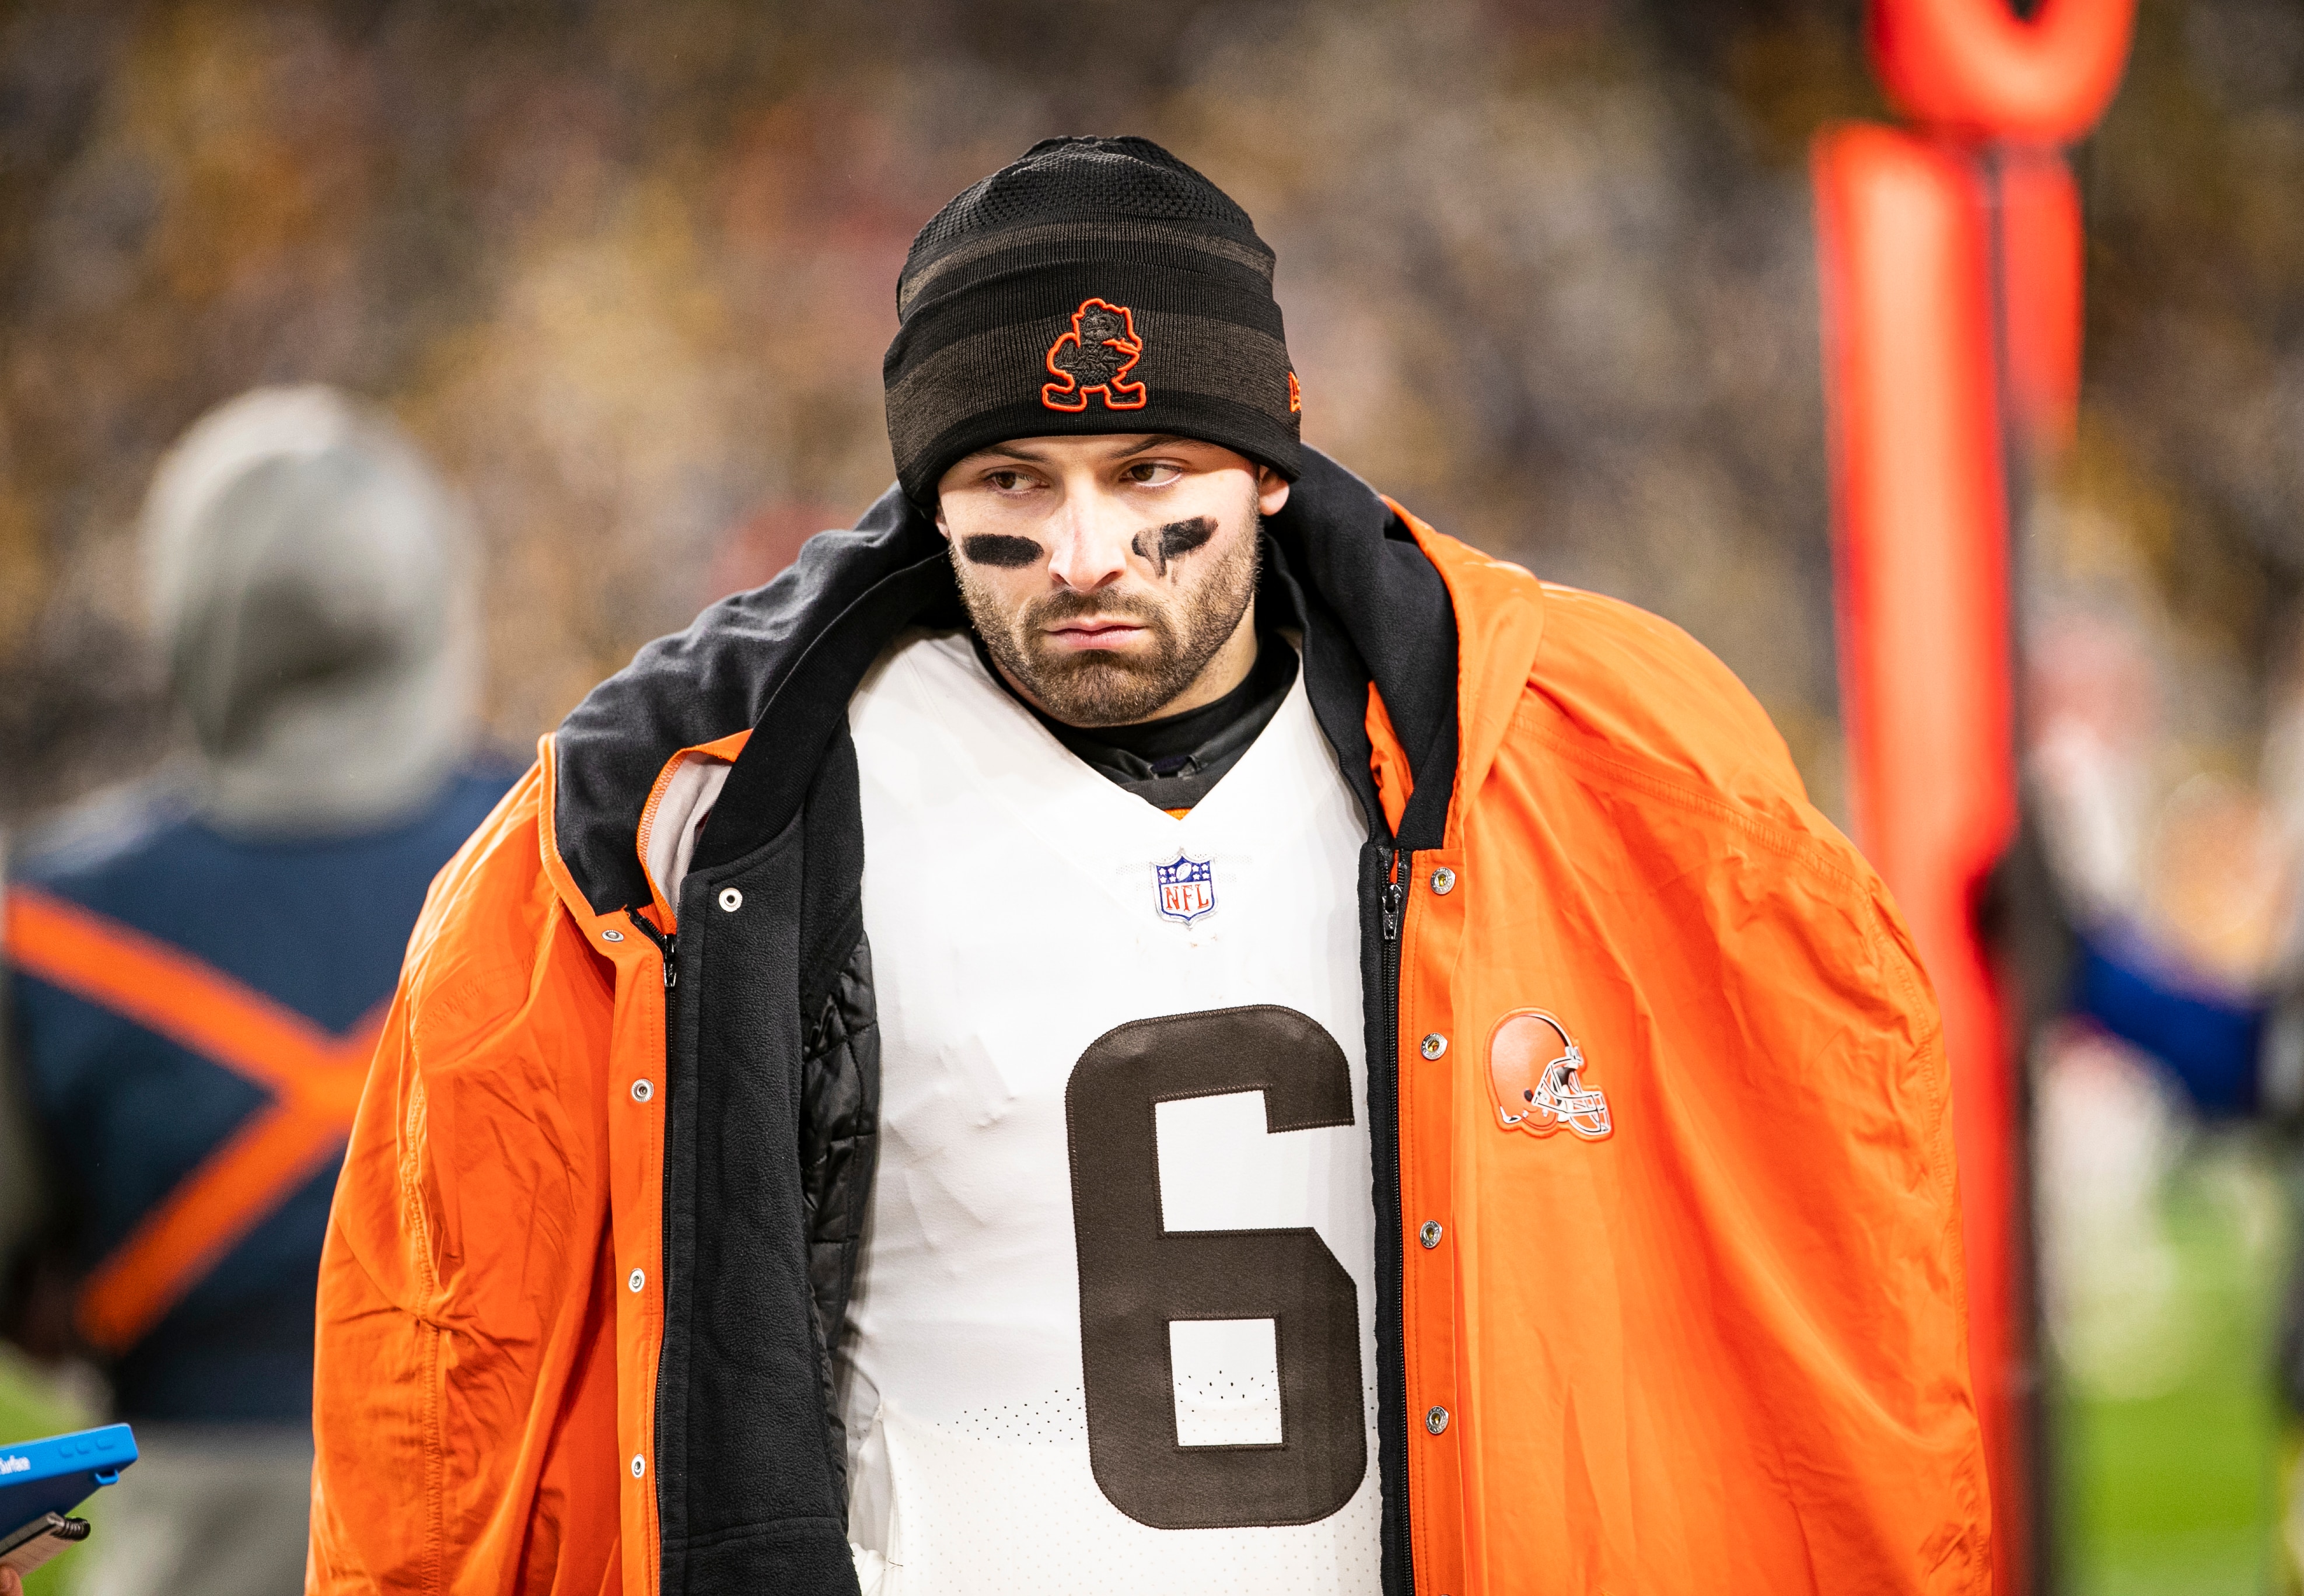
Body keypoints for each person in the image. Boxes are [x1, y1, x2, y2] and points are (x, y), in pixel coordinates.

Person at [307, 136, 1992, 1594]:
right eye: (1010, 483)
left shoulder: (1588, 757)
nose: (1085, 553)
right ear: (923, 495)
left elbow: (1840, 1279)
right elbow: (443, 1367)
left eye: (1148, 472)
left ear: (1268, 463)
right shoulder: (694, 814)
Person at [0, 386, 509, 1596]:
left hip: (185, 1544)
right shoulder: (586, 871)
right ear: (435, 609)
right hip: (511, 1528)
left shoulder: (46, 929)